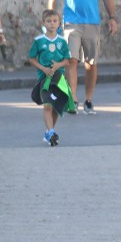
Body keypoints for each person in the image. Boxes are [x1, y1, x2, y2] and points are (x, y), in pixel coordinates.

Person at [47, 0, 118, 114]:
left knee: (91, 64)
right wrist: (50, 18)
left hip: (92, 22)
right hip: (71, 23)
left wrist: (112, 17)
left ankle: (88, 99)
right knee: (71, 60)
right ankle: (73, 99)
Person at [28, 9, 72, 147]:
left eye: (54, 21)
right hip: (45, 78)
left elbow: (67, 60)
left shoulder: (62, 42)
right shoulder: (39, 41)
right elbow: (31, 58)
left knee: (56, 106)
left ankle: (49, 132)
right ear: (43, 23)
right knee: (47, 105)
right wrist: (43, 68)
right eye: (48, 21)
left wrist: (58, 65)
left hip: (58, 78)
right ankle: (51, 132)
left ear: (59, 23)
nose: (52, 24)